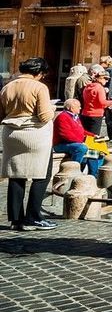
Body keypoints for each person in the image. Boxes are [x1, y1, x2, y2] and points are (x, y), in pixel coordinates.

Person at [1, 57, 57, 231]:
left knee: (16, 176)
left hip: (11, 133)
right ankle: (33, 216)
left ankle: (16, 219)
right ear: (39, 73)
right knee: (41, 175)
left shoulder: (7, 87)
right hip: (35, 134)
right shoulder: (39, 87)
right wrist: (53, 108)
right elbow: (45, 116)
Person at [52, 98, 103, 177]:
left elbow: (82, 131)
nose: (80, 108)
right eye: (78, 106)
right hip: (62, 144)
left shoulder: (75, 117)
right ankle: (75, 170)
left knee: (98, 151)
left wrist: (92, 135)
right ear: (71, 108)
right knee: (82, 148)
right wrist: (82, 141)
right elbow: (65, 135)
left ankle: (93, 176)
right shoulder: (63, 117)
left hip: (74, 142)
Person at [80, 69, 112, 137]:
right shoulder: (99, 88)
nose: (107, 81)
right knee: (93, 136)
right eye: (106, 78)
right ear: (100, 78)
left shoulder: (87, 87)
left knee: (85, 135)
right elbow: (102, 102)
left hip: (85, 113)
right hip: (96, 114)